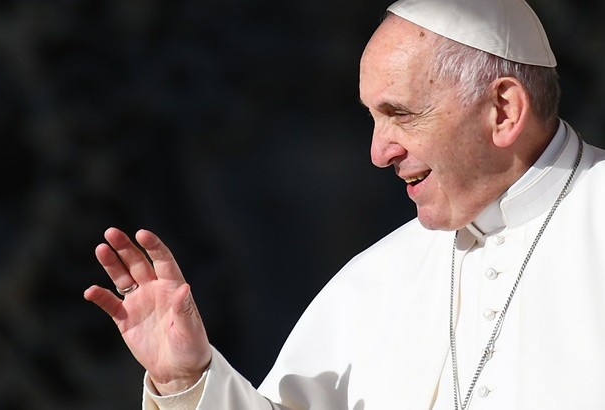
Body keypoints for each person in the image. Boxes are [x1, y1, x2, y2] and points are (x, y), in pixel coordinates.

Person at [84, 0, 605, 408]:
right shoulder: (375, 278)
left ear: (503, 109)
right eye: (372, 118)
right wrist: (189, 382)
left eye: (400, 114)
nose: (379, 153)